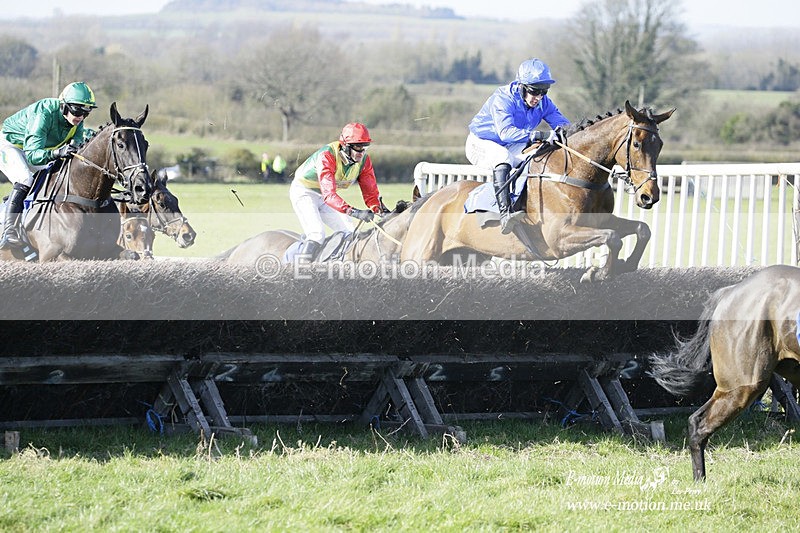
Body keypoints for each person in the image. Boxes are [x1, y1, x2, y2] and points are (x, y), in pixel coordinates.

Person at [466, 58, 570, 234]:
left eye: (544, 91)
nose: (539, 97)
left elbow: (564, 126)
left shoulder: (544, 102)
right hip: (480, 143)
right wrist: (539, 135)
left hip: (511, 144)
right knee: (503, 157)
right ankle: (505, 213)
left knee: (540, 154)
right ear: (521, 86)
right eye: (534, 91)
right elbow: (505, 133)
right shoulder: (502, 98)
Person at [0, 81, 97, 249]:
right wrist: (56, 153)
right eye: (77, 110)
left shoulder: (77, 122)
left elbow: (76, 148)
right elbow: (32, 155)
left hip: (37, 151)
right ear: (64, 105)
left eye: (86, 112)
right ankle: (9, 231)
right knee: (24, 178)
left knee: (56, 175)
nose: (81, 116)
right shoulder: (44, 113)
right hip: (11, 146)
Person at [289, 122, 387, 260]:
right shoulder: (327, 156)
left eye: (365, 147)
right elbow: (329, 195)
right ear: (346, 146)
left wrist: (381, 211)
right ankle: (299, 271)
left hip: (325, 197)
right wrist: (354, 212)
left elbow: (371, 194)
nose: (362, 152)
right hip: (304, 192)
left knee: (349, 233)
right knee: (317, 234)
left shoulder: (364, 161)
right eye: (358, 147)